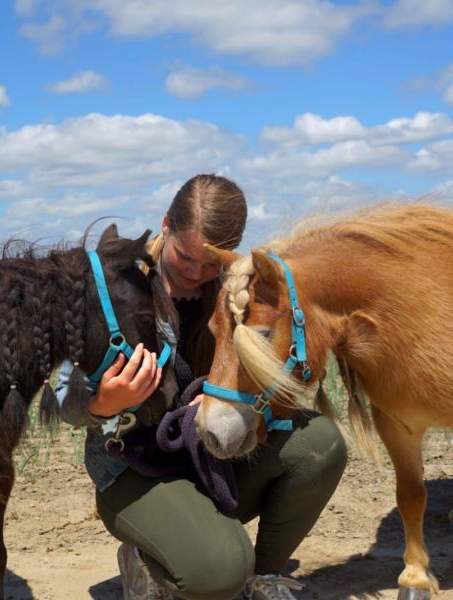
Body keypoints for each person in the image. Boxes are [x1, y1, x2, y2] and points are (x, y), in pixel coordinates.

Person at [55, 174, 347, 600]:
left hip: (209, 456)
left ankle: (261, 575)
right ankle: (149, 558)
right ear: (166, 225)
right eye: (184, 257)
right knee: (216, 574)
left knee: (320, 443)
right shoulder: (113, 290)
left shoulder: (240, 294)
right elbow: (62, 399)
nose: (196, 273)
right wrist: (102, 403)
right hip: (134, 470)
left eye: (211, 263)